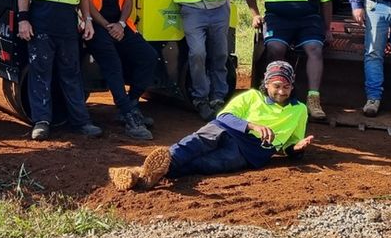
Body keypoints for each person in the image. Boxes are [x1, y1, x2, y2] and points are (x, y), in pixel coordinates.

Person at [109, 61, 313, 190]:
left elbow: (289, 146)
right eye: (277, 86)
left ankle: (139, 175)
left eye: (286, 87)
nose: (282, 91)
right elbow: (224, 116)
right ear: (266, 84)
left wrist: (296, 149)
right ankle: (145, 172)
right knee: (194, 143)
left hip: (249, 153)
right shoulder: (252, 96)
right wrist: (253, 126)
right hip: (228, 129)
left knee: (203, 165)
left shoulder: (299, 110)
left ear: (292, 87)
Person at [17, 0, 102, 141]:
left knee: (71, 73)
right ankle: (41, 122)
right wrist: (23, 20)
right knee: (40, 73)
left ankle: (80, 121)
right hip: (41, 22)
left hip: (68, 25)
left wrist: (88, 20)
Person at [243, 0, 335, 120]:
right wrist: (255, 15)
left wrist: (326, 28)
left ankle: (313, 99)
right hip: (277, 19)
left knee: (315, 49)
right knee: (275, 48)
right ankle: (275, 94)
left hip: (308, 19)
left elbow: (326, 1)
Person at [84, 0, 156, 140]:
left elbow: (128, 0)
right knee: (112, 64)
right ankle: (129, 116)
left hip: (121, 26)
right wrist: (108, 25)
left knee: (149, 56)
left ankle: (131, 103)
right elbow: (86, 1)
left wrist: (122, 24)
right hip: (96, 26)